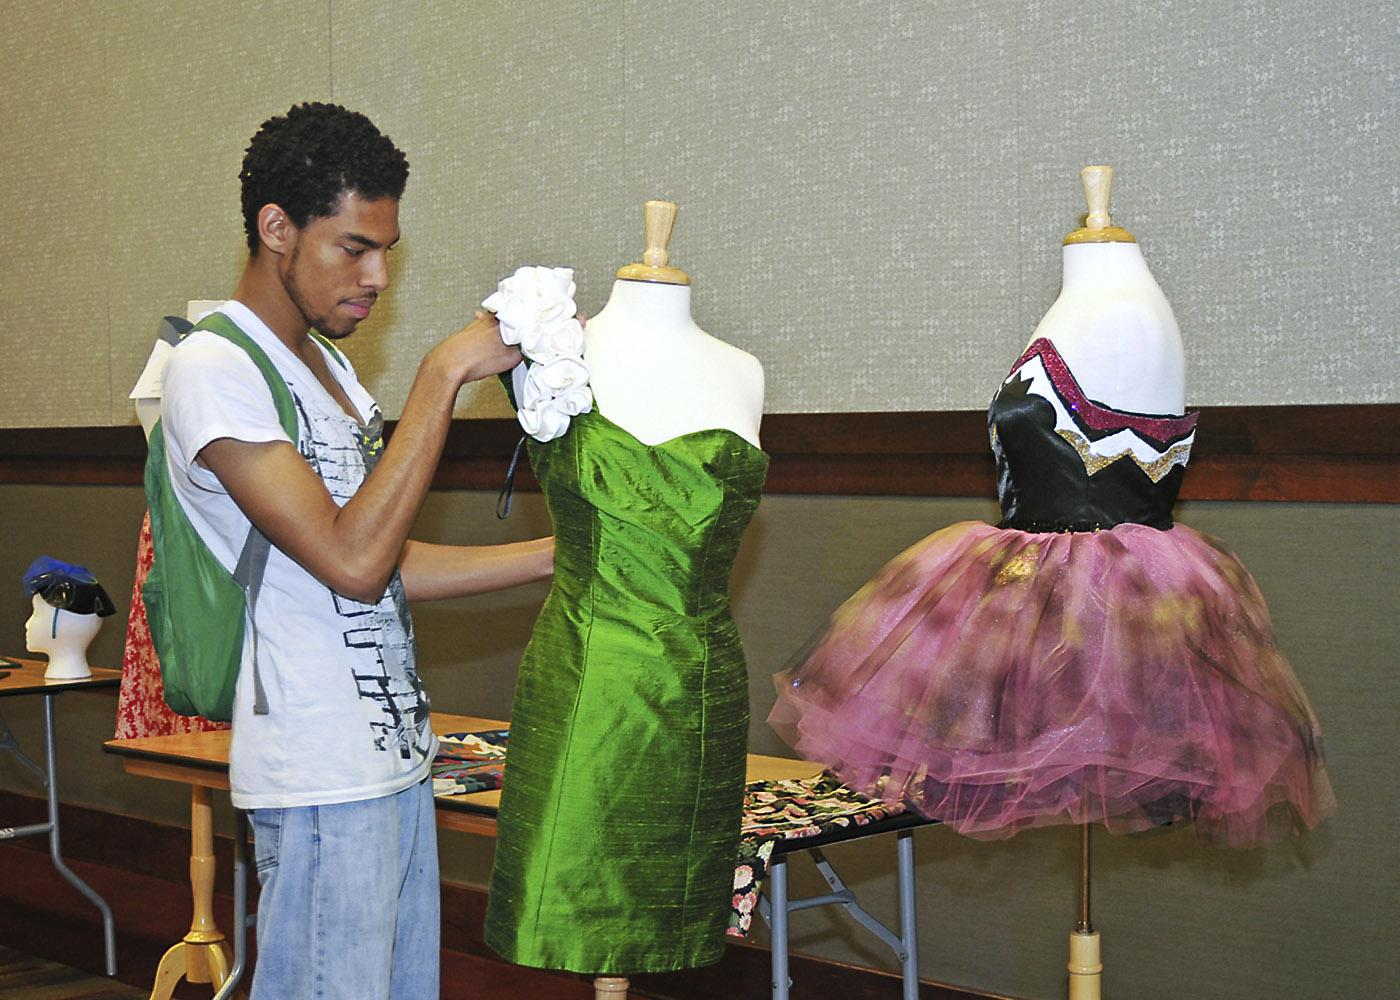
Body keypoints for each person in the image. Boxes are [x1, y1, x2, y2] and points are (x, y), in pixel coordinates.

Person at [158, 101, 552, 1000]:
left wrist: (551, 559)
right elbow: (352, 560)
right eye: (353, 247)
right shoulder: (215, 369)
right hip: (317, 772)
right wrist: (441, 376)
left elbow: (386, 566)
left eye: (388, 250)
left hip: (393, 759)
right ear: (276, 229)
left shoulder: (328, 369)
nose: (377, 275)